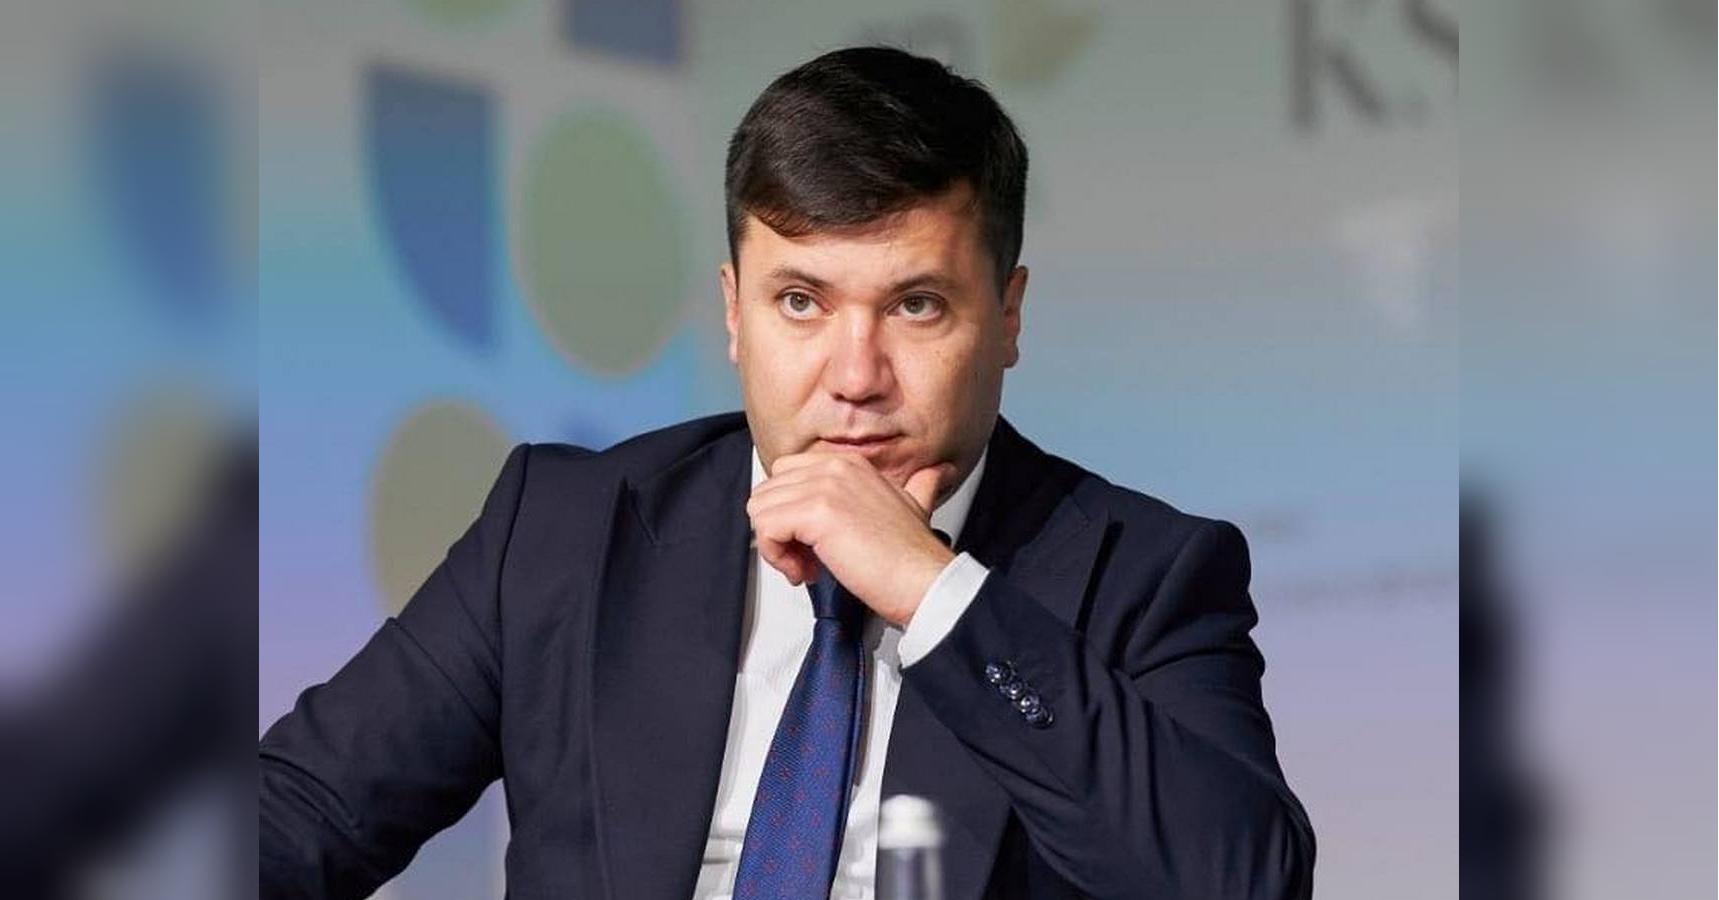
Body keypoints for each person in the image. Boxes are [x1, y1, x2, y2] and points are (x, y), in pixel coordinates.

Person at [260, 45, 1315, 900]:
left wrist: (935, 594)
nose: (854, 378)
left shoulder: (1144, 573)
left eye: (916, 306)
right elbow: (298, 815)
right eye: (800, 303)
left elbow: (1246, 881)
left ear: (1008, 316)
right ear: (733, 311)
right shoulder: (566, 531)